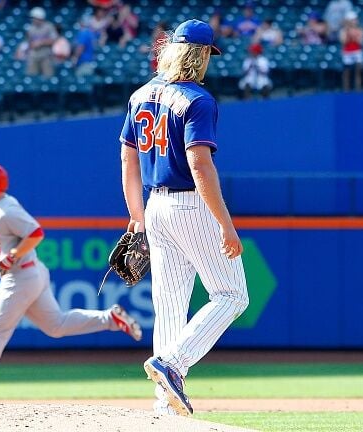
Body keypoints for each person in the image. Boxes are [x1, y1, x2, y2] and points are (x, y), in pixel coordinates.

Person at [118, 19, 249, 416]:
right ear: (202, 55)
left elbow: (127, 158)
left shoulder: (141, 94)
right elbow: (199, 163)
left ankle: (165, 404)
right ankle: (171, 365)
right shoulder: (198, 99)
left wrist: (137, 217)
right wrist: (225, 222)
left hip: (155, 206)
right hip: (190, 204)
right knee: (232, 295)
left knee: (171, 307)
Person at [0, 163, 143, 402]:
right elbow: (1, 239)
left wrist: (12, 255)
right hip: (29, 274)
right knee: (56, 325)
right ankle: (110, 319)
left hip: (21, 276)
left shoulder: (6, 210)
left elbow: (36, 233)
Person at [25, 7, 57, 77]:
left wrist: (41, 42)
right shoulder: (30, 28)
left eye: (34, 18)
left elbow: (54, 40)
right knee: (31, 76)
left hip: (46, 55)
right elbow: (29, 42)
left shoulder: (49, 26)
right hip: (34, 55)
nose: (33, 19)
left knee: (48, 76)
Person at [339, 11, 363, 91]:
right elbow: (343, 41)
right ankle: (346, 90)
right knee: (347, 72)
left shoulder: (359, 30)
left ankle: (358, 89)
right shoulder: (344, 30)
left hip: (357, 51)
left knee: (358, 72)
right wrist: (348, 33)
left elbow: (361, 41)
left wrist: (355, 35)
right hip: (347, 52)